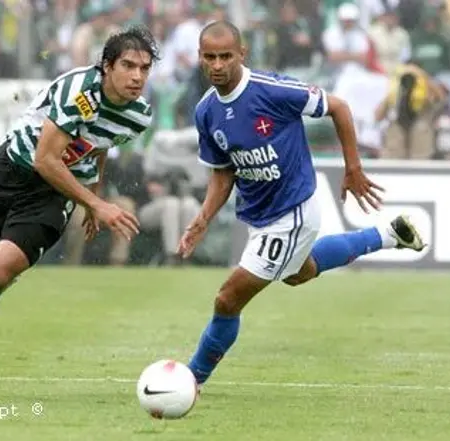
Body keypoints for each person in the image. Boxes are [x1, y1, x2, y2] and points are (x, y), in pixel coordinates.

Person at [0, 26, 160, 388]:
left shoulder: (139, 116)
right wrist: (98, 204)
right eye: (129, 66)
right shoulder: (79, 91)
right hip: (14, 168)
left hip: (53, 194)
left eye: (145, 68)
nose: (137, 76)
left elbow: (99, 144)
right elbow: (45, 160)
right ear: (106, 66)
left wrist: (90, 197)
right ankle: (4, 270)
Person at [177, 21, 426, 387]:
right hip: (260, 215)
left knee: (228, 299)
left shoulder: (271, 90)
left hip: (293, 210)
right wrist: (203, 219)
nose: (217, 65)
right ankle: (388, 235)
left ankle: (191, 380)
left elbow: (338, 107)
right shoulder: (206, 111)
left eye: (225, 56)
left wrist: (353, 168)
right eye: (209, 57)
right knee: (299, 272)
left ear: (241, 54)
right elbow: (223, 173)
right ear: (199, 57)